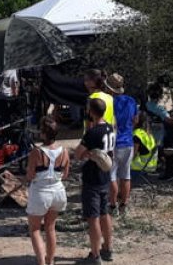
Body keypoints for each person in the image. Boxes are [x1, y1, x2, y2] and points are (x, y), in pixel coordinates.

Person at [74, 98, 116, 264]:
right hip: (105, 176)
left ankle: (95, 254)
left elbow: (78, 154)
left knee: (93, 218)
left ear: (91, 111)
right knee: (105, 214)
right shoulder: (110, 128)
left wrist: (86, 154)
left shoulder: (92, 133)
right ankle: (108, 248)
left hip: (92, 179)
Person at [24, 115, 69, 265]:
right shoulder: (64, 151)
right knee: (50, 228)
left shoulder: (37, 152)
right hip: (58, 191)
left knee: (35, 229)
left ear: (43, 133)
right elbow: (65, 174)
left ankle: (42, 263)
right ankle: (50, 260)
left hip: (41, 192)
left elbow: (30, 175)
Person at [106, 74, 137, 217]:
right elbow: (135, 120)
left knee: (112, 176)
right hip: (128, 142)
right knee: (126, 175)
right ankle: (124, 204)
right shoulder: (131, 101)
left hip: (113, 143)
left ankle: (113, 206)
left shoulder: (109, 102)